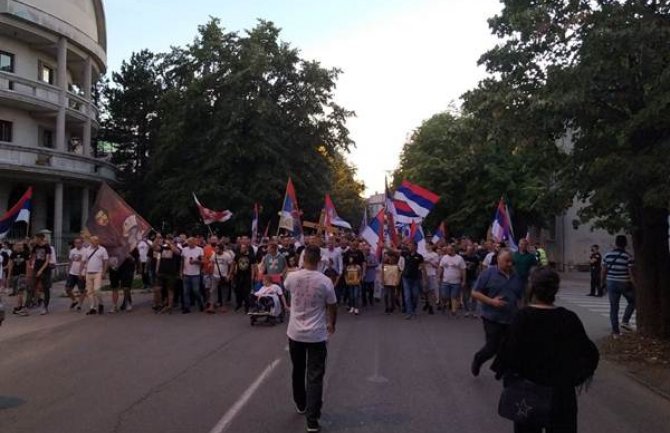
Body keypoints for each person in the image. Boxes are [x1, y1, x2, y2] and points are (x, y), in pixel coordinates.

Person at [493, 267, 599, 433]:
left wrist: (509, 377)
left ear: (532, 288)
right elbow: (589, 354)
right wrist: (573, 378)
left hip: (526, 395)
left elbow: (506, 354)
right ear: (555, 289)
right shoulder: (568, 318)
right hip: (561, 396)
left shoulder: (523, 318)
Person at [285, 245, 337, 433]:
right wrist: (332, 323)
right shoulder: (325, 281)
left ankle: (301, 403)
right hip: (316, 334)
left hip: (295, 333)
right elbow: (332, 305)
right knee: (315, 376)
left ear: (303, 258)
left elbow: (286, 287)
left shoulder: (292, 277)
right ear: (319, 261)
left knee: (298, 369)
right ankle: (312, 420)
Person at [471, 248, 524, 377]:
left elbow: (520, 297)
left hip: (510, 318)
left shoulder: (516, 277)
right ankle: (478, 359)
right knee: (492, 347)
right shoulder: (488, 274)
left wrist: (522, 312)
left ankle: (500, 371)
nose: (510, 264)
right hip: (492, 317)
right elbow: (475, 292)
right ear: (499, 260)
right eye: (507, 261)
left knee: (508, 347)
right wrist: (491, 301)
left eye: (512, 262)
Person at [602, 235, 636, 337]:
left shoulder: (607, 255)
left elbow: (603, 271)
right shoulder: (628, 257)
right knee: (633, 301)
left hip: (611, 283)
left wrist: (602, 282)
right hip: (624, 283)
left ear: (616, 243)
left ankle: (615, 332)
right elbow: (631, 273)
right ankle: (625, 321)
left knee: (614, 307)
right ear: (625, 244)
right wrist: (635, 285)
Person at [81, 236, 109, 315]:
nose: (94, 242)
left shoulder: (102, 250)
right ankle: (92, 307)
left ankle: (101, 303)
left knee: (97, 290)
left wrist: (104, 272)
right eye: (93, 241)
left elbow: (106, 261)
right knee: (89, 292)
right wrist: (81, 271)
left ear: (98, 241)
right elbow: (83, 261)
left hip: (98, 272)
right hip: (88, 272)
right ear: (90, 241)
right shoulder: (87, 250)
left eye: (96, 240)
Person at [154, 234, 181, 314]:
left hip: (171, 273)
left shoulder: (177, 248)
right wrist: (157, 238)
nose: (168, 240)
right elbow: (154, 247)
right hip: (161, 271)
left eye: (170, 239)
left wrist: (170, 244)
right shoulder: (163, 248)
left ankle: (170, 306)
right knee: (157, 289)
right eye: (168, 238)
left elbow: (177, 252)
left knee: (170, 290)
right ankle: (160, 304)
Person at [439, 244, 466, 317]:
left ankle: (454, 311)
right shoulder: (444, 258)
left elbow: (463, 270)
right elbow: (441, 267)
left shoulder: (459, 258)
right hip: (446, 281)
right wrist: (439, 277)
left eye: (450, 249)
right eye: (447, 249)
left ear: (453, 250)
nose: (448, 251)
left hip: (456, 281)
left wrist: (463, 280)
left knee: (454, 296)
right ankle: (444, 305)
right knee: (445, 296)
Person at [400, 241, 424, 320]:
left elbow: (422, 266)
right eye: (409, 245)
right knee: (407, 296)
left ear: (415, 247)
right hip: (406, 278)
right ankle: (409, 312)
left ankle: (413, 309)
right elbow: (394, 251)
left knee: (415, 296)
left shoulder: (419, 256)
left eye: (411, 245)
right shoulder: (405, 254)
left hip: (415, 279)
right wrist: (385, 246)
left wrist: (424, 278)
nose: (409, 247)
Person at [208, 243, 234, 313]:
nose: (216, 250)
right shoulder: (214, 255)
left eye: (217, 249)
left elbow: (231, 265)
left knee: (224, 291)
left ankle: (224, 305)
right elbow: (212, 262)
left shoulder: (227, 256)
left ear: (221, 249)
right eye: (215, 249)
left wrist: (229, 275)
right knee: (213, 290)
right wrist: (210, 265)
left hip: (224, 276)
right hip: (215, 275)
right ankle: (212, 306)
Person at [181, 237, 205, 313]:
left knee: (196, 290)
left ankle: (200, 303)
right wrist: (180, 272)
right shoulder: (184, 249)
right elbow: (182, 261)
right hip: (186, 273)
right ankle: (187, 307)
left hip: (195, 274)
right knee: (186, 292)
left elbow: (203, 261)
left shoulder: (199, 250)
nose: (190, 243)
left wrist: (196, 261)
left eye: (191, 242)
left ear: (195, 242)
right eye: (188, 242)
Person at [342, 239, 365, 315]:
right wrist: (345, 274)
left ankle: (356, 307)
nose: (354, 246)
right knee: (351, 293)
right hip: (349, 274)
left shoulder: (360, 252)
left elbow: (363, 263)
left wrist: (363, 273)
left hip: (358, 274)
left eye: (355, 245)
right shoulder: (347, 253)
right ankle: (352, 306)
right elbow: (344, 264)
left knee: (356, 293)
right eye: (352, 244)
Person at [30, 234, 51, 315]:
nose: (34, 239)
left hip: (45, 270)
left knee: (46, 288)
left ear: (40, 238)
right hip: (36, 268)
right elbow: (33, 256)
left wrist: (41, 270)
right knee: (32, 286)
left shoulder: (47, 247)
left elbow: (47, 260)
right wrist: (32, 265)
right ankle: (32, 303)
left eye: (35, 238)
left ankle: (45, 307)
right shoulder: (35, 247)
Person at [7, 242, 30, 316]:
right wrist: (9, 275)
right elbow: (10, 264)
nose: (19, 246)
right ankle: (19, 306)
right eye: (17, 245)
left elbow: (27, 264)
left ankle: (22, 307)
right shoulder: (13, 254)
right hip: (15, 274)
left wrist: (27, 274)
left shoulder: (25, 254)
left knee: (21, 291)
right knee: (17, 291)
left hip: (22, 274)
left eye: (20, 245)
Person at [232, 243, 256, 313]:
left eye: (243, 248)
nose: (241, 249)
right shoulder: (238, 255)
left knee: (246, 292)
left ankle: (247, 307)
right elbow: (233, 264)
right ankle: (239, 304)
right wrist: (231, 273)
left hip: (247, 276)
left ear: (246, 249)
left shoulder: (251, 256)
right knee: (238, 290)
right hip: (239, 276)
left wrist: (252, 277)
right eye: (241, 248)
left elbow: (253, 267)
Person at [65, 237, 87, 311]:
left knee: (82, 290)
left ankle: (80, 305)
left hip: (81, 273)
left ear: (82, 243)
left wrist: (84, 272)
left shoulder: (85, 251)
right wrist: (68, 270)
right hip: (72, 272)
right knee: (68, 289)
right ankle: (74, 300)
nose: (78, 244)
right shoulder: (72, 251)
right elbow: (70, 261)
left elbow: (85, 262)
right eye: (76, 243)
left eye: (79, 243)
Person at [461, 244, 481, 318]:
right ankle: (467, 311)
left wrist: (479, 275)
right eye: (468, 250)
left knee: (474, 295)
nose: (469, 251)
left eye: (471, 250)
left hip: (473, 278)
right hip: (465, 278)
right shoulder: (463, 258)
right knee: (465, 296)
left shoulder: (476, 258)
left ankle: (474, 311)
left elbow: (479, 267)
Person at [422, 243, 440, 315]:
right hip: (424, 274)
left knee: (431, 291)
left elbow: (436, 266)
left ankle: (431, 306)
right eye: (426, 245)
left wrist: (429, 262)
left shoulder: (435, 255)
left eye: (428, 245)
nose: (427, 246)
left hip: (432, 274)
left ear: (431, 246)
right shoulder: (423, 254)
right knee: (425, 291)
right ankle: (427, 302)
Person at [362, 244, 378, 308]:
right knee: (363, 290)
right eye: (365, 250)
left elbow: (376, 263)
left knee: (371, 290)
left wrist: (369, 265)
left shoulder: (373, 256)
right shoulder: (362, 256)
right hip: (364, 276)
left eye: (368, 250)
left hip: (371, 276)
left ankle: (371, 300)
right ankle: (364, 302)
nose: (367, 251)